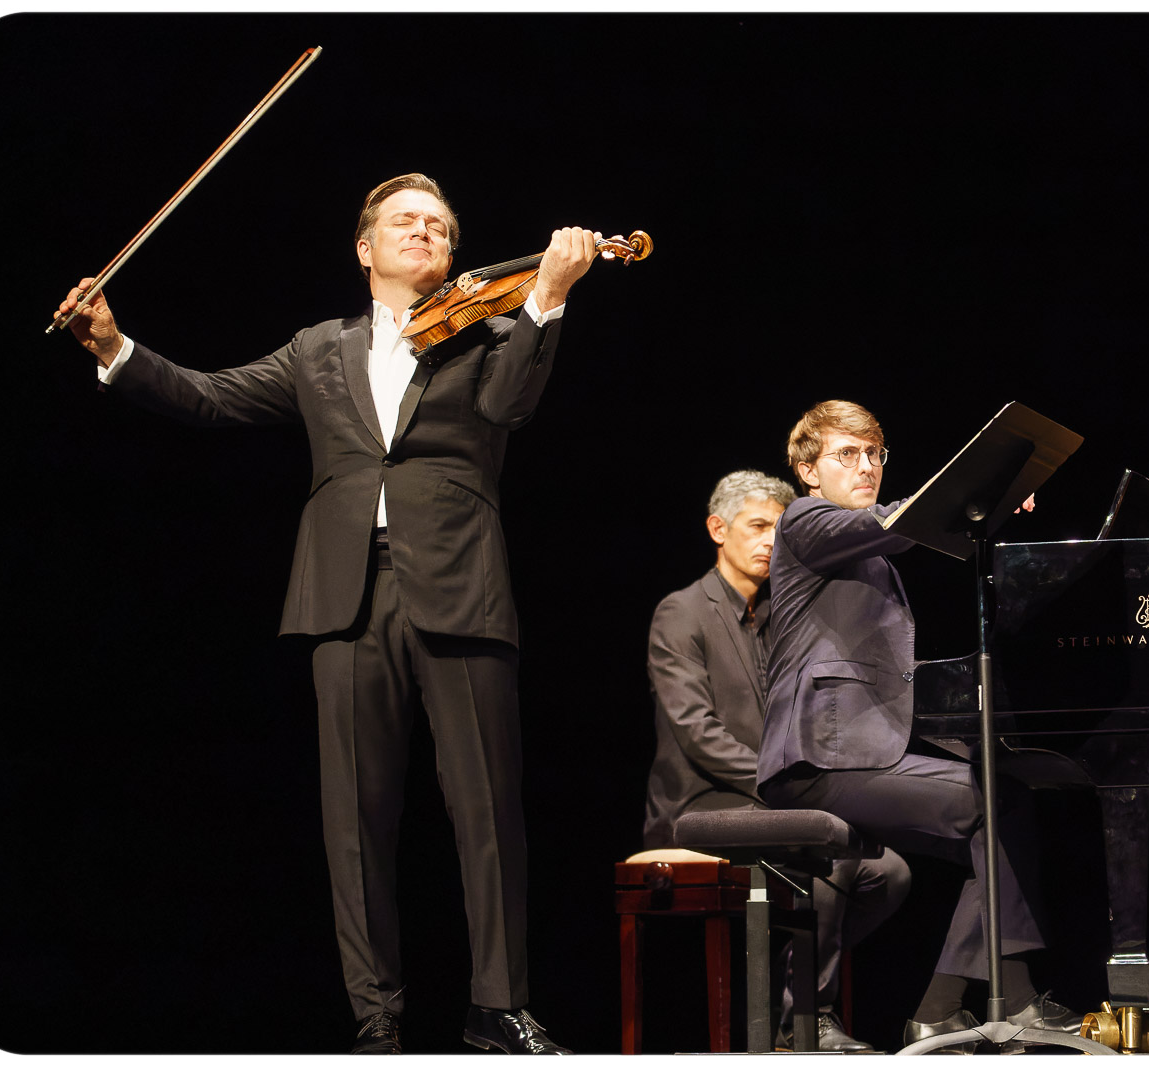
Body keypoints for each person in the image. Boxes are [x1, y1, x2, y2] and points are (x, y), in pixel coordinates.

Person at [53, 174, 594, 1055]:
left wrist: (547, 298)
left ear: (454, 253)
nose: (423, 231)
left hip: (459, 584)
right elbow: (210, 396)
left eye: (439, 225)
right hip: (343, 593)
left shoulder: (494, 331)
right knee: (355, 817)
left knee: (488, 810)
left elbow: (508, 408)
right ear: (364, 247)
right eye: (404, 221)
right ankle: (375, 1014)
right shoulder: (317, 348)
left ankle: (497, 1004)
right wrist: (115, 346)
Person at [756, 400, 1081, 1052]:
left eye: (875, 453)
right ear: (807, 469)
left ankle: (949, 1005)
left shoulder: (869, 554)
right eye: (848, 454)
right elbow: (901, 521)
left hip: (854, 754)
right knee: (997, 800)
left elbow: (927, 536)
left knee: (1000, 803)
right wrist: (975, 489)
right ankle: (979, 1003)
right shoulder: (804, 519)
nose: (867, 465)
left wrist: (994, 504)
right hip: (818, 758)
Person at [642, 470, 910, 1052]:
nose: (770, 541)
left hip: (770, 803)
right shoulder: (681, 612)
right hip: (703, 805)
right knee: (830, 856)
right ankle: (806, 1021)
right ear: (718, 529)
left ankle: (788, 995)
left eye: (779, 529)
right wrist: (783, 784)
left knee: (889, 872)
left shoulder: (785, 613)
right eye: (757, 526)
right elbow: (697, 732)